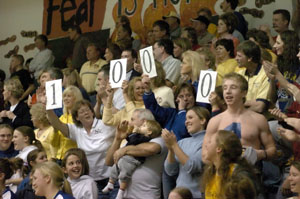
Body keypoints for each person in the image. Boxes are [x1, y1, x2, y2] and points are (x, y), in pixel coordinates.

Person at [202, 72, 276, 166]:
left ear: (244, 93)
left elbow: (272, 150)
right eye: (225, 88)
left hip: (251, 174)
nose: (228, 91)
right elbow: (205, 156)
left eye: (233, 87)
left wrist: (260, 154)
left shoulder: (258, 119)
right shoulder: (215, 121)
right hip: (223, 175)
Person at [46, 100, 115, 197]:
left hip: (111, 178)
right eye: (82, 112)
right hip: (91, 180)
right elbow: (57, 124)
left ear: (92, 112)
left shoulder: (105, 125)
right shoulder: (76, 130)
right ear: (77, 117)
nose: (86, 112)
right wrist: (48, 107)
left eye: (88, 110)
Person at [104, 112, 167, 199]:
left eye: (132, 119)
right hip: (123, 196)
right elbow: (109, 162)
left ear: (144, 121)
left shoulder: (158, 139)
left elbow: (150, 149)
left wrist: (125, 150)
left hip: (146, 195)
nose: (130, 123)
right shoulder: (132, 138)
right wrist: (118, 139)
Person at [163, 106, 210, 198]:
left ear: (202, 120)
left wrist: (174, 145)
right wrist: (171, 150)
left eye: (190, 118)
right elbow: (170, 171)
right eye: (186, 119)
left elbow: (192, 167)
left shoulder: (208, 142)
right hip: (178, 195)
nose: (186, 121)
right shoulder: (182, 142)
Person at [202, 130, 257, 199]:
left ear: (219, 149)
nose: (206, 145)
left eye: (210, 142)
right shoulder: (210, 172)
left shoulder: (240, 175)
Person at [235, 40, 270, 114]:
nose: (236, 58)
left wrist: (239, 106)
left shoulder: (266, 74)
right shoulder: (238, 75)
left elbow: (260, 106)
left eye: (239, 56)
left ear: (250, 58)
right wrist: (252, 102)